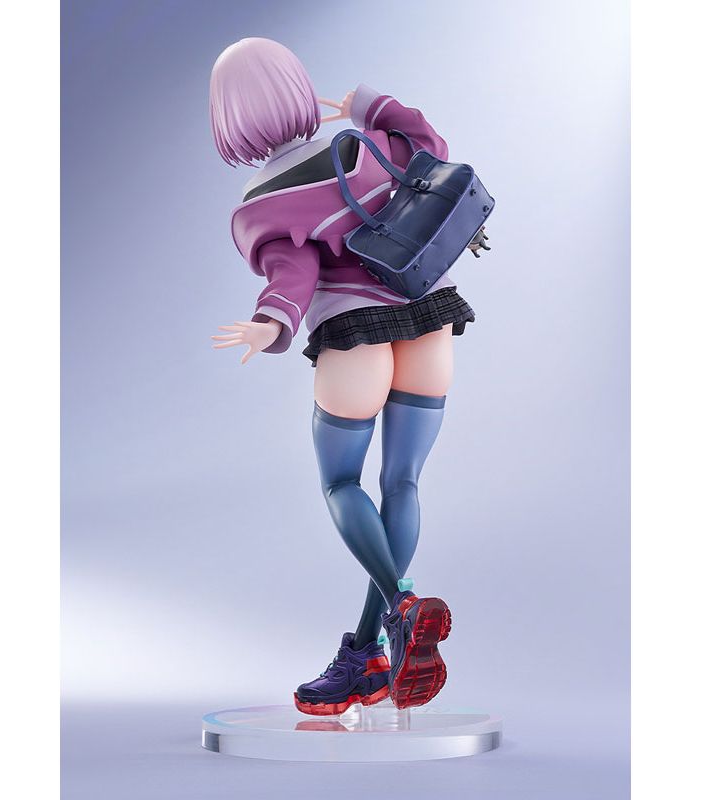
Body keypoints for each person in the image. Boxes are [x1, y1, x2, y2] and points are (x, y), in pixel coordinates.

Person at [209, 37, 473, 715]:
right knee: (402, 483)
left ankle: (401, 606)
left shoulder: (260, 202)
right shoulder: (368, 145)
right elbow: (433, 148)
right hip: (430, 316)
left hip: (357, 338)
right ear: (298, 90)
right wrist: (370, 104)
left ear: (229, 118)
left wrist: (270, 323)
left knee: (340, 483)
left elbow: (292, 273)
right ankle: (369, 650)